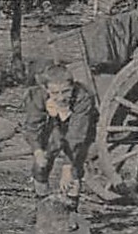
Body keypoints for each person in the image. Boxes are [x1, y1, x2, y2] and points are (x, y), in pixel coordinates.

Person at [22, 60, 98, 211]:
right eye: (55, 93)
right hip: (53, 127)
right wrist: (37, 151)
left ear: (73, 86)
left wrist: (67, 168)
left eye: (66, 91)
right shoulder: (36, 96)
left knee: (75, 168)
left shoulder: (83, 96)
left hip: (80, 129)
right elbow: (32, 126)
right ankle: (42, 208)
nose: (61, 97)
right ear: (45, 89)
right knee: (41, 164)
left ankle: (71, 212)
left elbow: (77, 135)